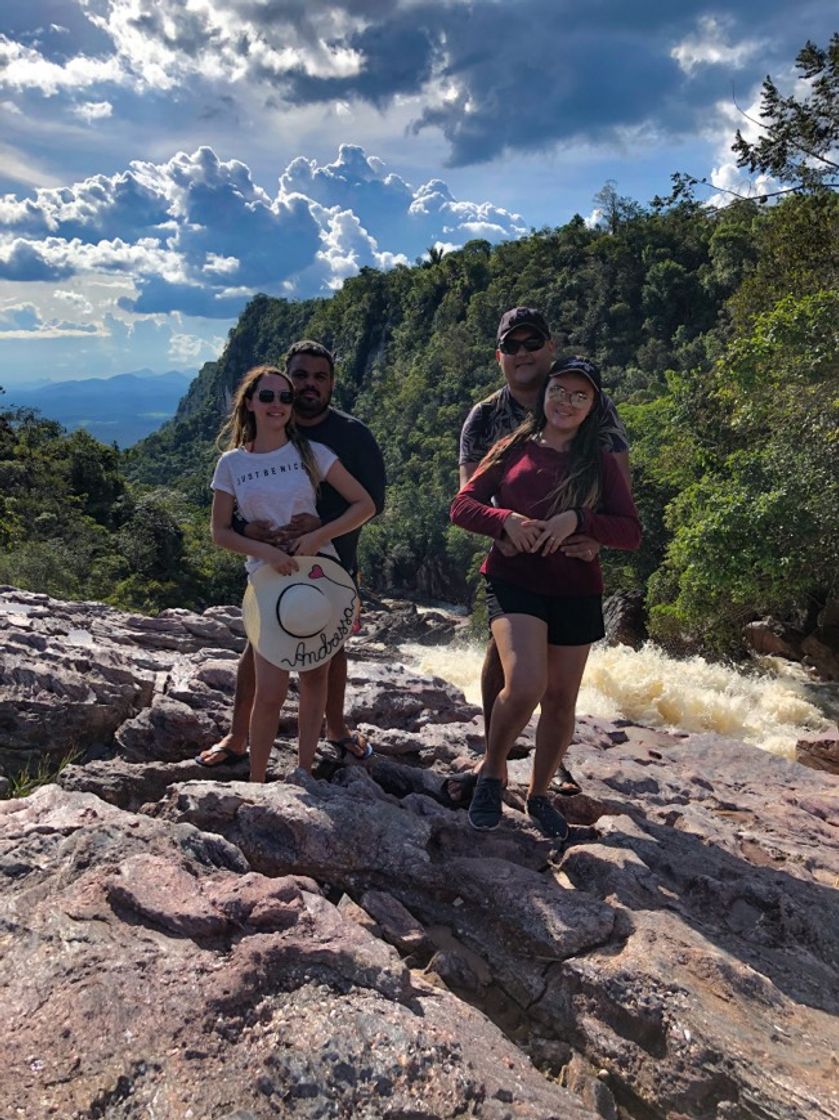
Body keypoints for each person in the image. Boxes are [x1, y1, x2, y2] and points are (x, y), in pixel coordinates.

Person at [450, 355, 641, 836]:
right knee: (527, 683)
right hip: (514, 579)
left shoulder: (598, 462)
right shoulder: (513, 447)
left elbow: (630, 531)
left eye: (581, 395)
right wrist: (505, 521)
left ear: (593, 405)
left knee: (560, 700)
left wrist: (579, 520)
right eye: (560, 390)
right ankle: (492, 772)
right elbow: (462, 505)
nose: (567, 402)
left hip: (576, 587)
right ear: (546, 393)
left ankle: (539, 796)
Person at [197, 341, 386, 770]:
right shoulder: (236, 460)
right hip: (269, 571)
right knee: (262, 653)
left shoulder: (344, 438)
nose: (302, 388)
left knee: (325, 653)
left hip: (328, 562)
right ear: (252, 401)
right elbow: (225, 525)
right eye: (295, 379)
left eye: (319, 378)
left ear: (332, 384)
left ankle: (327, 739)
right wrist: (254, 537)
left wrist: (316, 531)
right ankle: (241, 740)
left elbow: (370, 501)